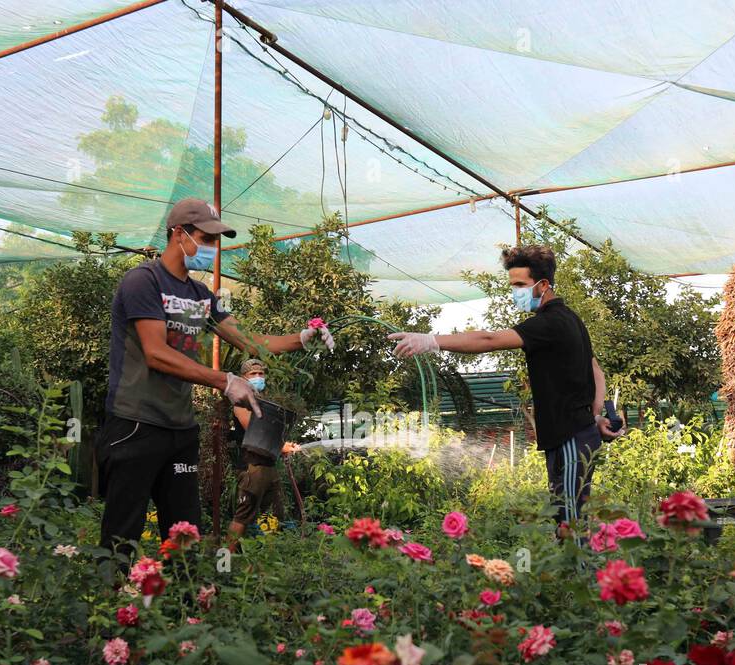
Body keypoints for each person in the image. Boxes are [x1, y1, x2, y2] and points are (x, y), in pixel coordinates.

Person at [96, 197, 334, 563]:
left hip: (179, 430)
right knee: (121, 538)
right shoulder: (143, 281)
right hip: (135, 425)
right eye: (206, 238)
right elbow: (155, 352)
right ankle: (111, 612)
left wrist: (301, 338)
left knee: (184, 536)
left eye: (214, 240)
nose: (211, 247)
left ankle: (187, 610)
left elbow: (250, 340)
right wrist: (224, 380)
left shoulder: (200, 296)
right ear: (179, 234)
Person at [388, 244, 623, 529]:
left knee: (570, 525)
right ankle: (577, 571)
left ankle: (583, 574)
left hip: (570, 439)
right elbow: (595, 370)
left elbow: (488, 340)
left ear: (543, 284)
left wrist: (432, 341)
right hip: (575, 435)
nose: (516, 291)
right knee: (567, 519)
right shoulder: (571, 319)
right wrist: (595, 416)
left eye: (521, 284)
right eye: (512, 285)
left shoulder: (550, 323)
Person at [227, 357, 287, 540]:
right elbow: (253, 428)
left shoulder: (262, 400)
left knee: (273, 510)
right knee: (243, 515)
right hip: (251, 465)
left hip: (267, 463)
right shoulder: (241, 403)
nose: (258, 377)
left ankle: (255, 548)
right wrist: (282, 445)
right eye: (253, 374)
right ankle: (226, 559)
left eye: (261, 373)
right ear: (243, 378)